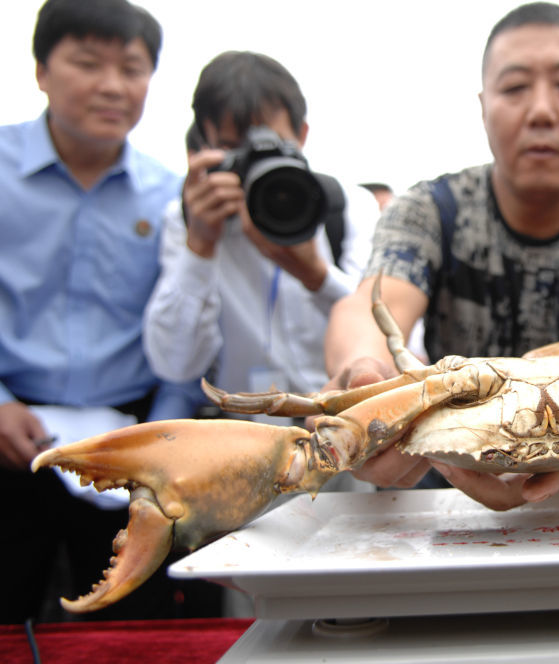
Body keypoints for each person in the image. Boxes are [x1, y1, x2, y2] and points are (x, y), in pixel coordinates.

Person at [324, 2, 559, 510]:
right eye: (515, 87)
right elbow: (372, 307)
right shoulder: (429, 211)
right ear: (483, 106)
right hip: (437, 486)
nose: (541, 110)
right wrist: (364, 374)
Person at [0, 0, 217, 622]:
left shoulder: (170, 198)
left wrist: (159, 442)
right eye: (88, 63)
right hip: (9, 436)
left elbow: (184, 333)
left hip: (125, 455)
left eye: (132, 68)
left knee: (129, 626)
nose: (113, 86)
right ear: (41, 70)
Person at [143, 51, 380, 443]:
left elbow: (393, 335)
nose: (257, 164)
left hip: (340, 431)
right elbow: (173, 364)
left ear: (302, 136)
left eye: (276, 146)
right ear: (205, 146)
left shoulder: (347, 207)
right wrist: (200, 246)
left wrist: (316, 276)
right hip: (241, 440)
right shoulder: (190, 220)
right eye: (235, 149)